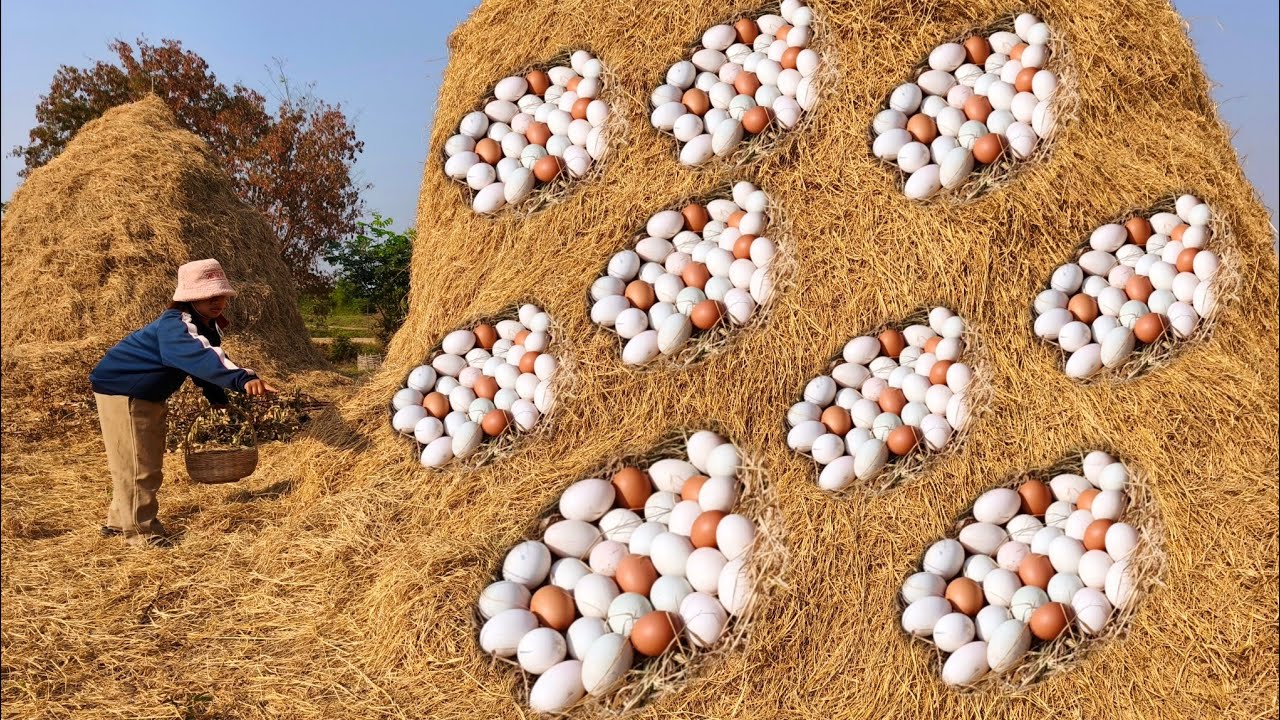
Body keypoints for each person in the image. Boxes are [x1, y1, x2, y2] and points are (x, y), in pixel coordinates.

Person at [89, 259, 277, 547]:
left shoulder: (203, 326)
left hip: (140, 392)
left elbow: (202, 363)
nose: (217, 302)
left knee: (135, 459)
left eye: (221, 296)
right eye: (208, 296)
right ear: (189, 297)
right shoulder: (176, 326)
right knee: (140, 464)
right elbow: (199, 358)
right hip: (126, 392)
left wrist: (217, 398)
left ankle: (118, 521)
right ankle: (142, 533)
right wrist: (243, 378)